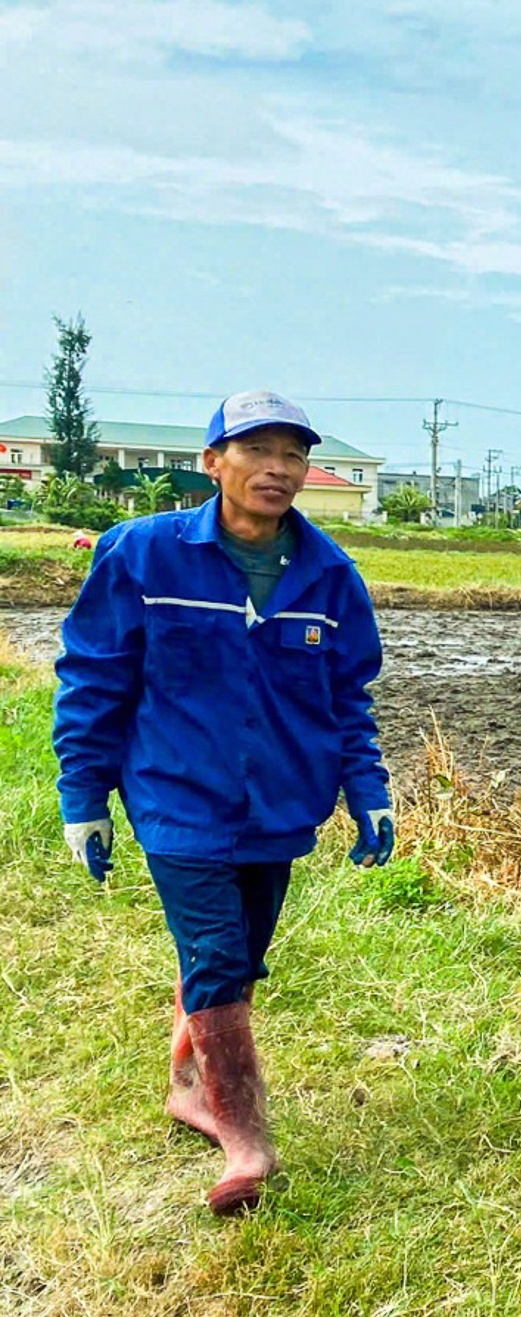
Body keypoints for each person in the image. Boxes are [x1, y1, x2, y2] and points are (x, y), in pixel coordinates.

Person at [52, 389, 396, 1217]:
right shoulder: (142, 554)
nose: (276, 469)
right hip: (178, 796)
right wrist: (83, 793)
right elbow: (95, 674)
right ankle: (246, 1137)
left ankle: (188, 1084)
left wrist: (370, 794)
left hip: (281, 803)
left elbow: (349, 697)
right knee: (215, 954)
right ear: (213, 463)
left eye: (291, 455)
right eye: (256, 451)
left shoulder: (330, 574)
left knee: (236, 956)